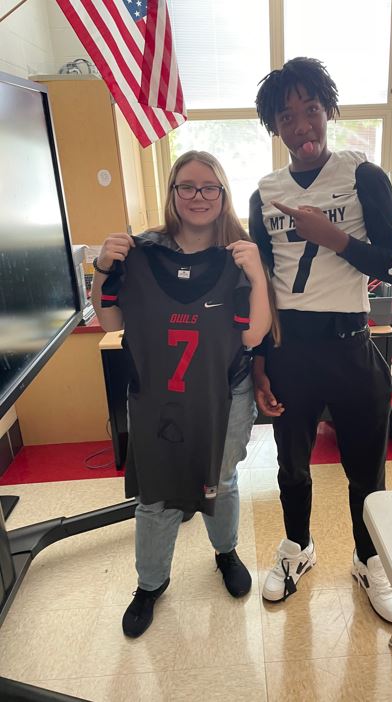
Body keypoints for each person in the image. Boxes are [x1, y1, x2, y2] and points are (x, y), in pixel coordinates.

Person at [249, 57, 392, 622]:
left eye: (311, 110)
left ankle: (370, 560)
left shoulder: (364, 174)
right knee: (291, 465)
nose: (302, 126)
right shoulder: (264, 192)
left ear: (328, 112)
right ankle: (299, 548)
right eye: (287, 116)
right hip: (291, 351)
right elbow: (261, 288)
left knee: (366, 469)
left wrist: (336, 239)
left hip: (350, 345)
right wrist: (261, 364)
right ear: (275, 126)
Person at [92, 150, 272, 637]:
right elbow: (109, 320)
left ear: (222, 195)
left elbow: (254, 336)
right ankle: (150, 583)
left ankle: (225, 551)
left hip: (223, 395)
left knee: (222, 478)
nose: (198, 196)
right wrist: (101, 271)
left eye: (208, 187)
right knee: (155, 495)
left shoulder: (239, 256)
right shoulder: (140, 252)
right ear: (172, 193)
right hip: (156, 397)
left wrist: (256, 276)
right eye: (187, 186)